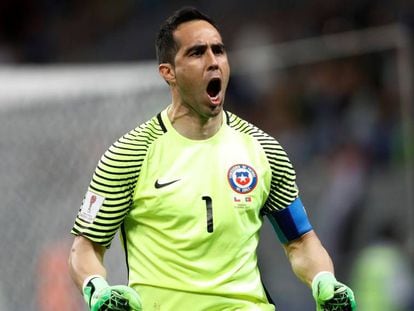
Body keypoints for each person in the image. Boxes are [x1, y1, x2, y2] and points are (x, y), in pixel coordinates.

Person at [68, 7, 356, 311]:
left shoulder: (263, 150)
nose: (213, 61)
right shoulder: (130, 154)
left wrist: (324, 279)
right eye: (196, 53)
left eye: (218, 50)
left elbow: (300, 240)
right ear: (168, 72)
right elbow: (86, 246)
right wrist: (96, 287)